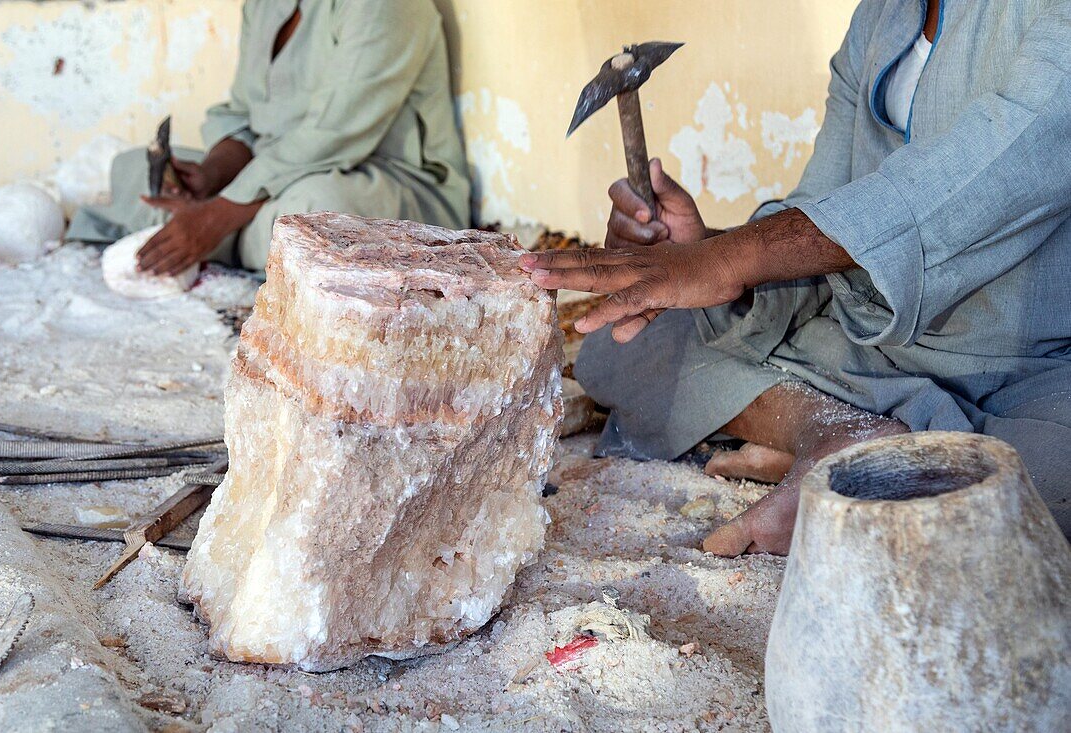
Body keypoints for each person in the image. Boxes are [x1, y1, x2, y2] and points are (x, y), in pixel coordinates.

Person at [522, 0, 1071, 554]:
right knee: (623, 349)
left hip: (1024, 372)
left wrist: (730, 259)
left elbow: (972, 180)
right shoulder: (882, 15)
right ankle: (834, 434)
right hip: (861, 344)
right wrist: (699, 247)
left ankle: (849, 445)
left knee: (1043, 479)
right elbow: (823, 207)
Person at [67, 0, 470, 274]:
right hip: (269, 177)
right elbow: (244, 112)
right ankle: (226, 239)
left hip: (378, 181)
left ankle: (210, 237)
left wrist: (216, 215)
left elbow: (332, 136)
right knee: (132, 166)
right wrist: (211, 175)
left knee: (313, 211)